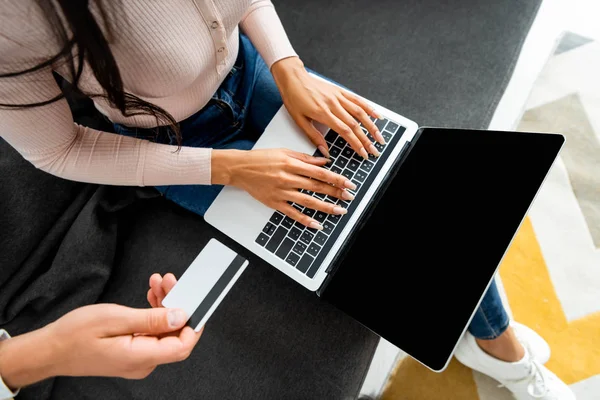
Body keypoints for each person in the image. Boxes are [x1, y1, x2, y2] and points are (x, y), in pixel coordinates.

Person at [0, 1, 574, 399]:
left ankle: (502, 346)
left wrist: (287, 64)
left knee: (427, 204)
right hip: (171, 143)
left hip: (254, 69)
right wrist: (230, 168)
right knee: (348, 247)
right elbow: (59, 149)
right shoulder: (13, 22)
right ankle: (506, 352)